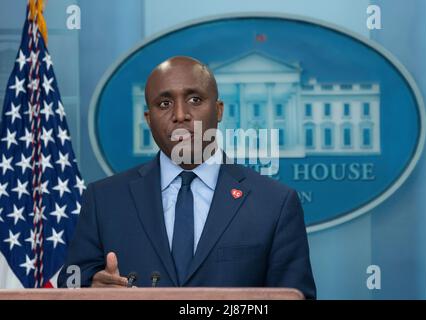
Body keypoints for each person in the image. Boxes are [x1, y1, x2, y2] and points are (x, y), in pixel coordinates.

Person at [57, 56, 316, 299]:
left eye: (194, 99)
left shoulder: (275, 204)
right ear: (148, 119)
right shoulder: (104, 199)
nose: (180, 114)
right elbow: (72, 281)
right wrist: (92, 288)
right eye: (164, 104)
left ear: (219, 110)